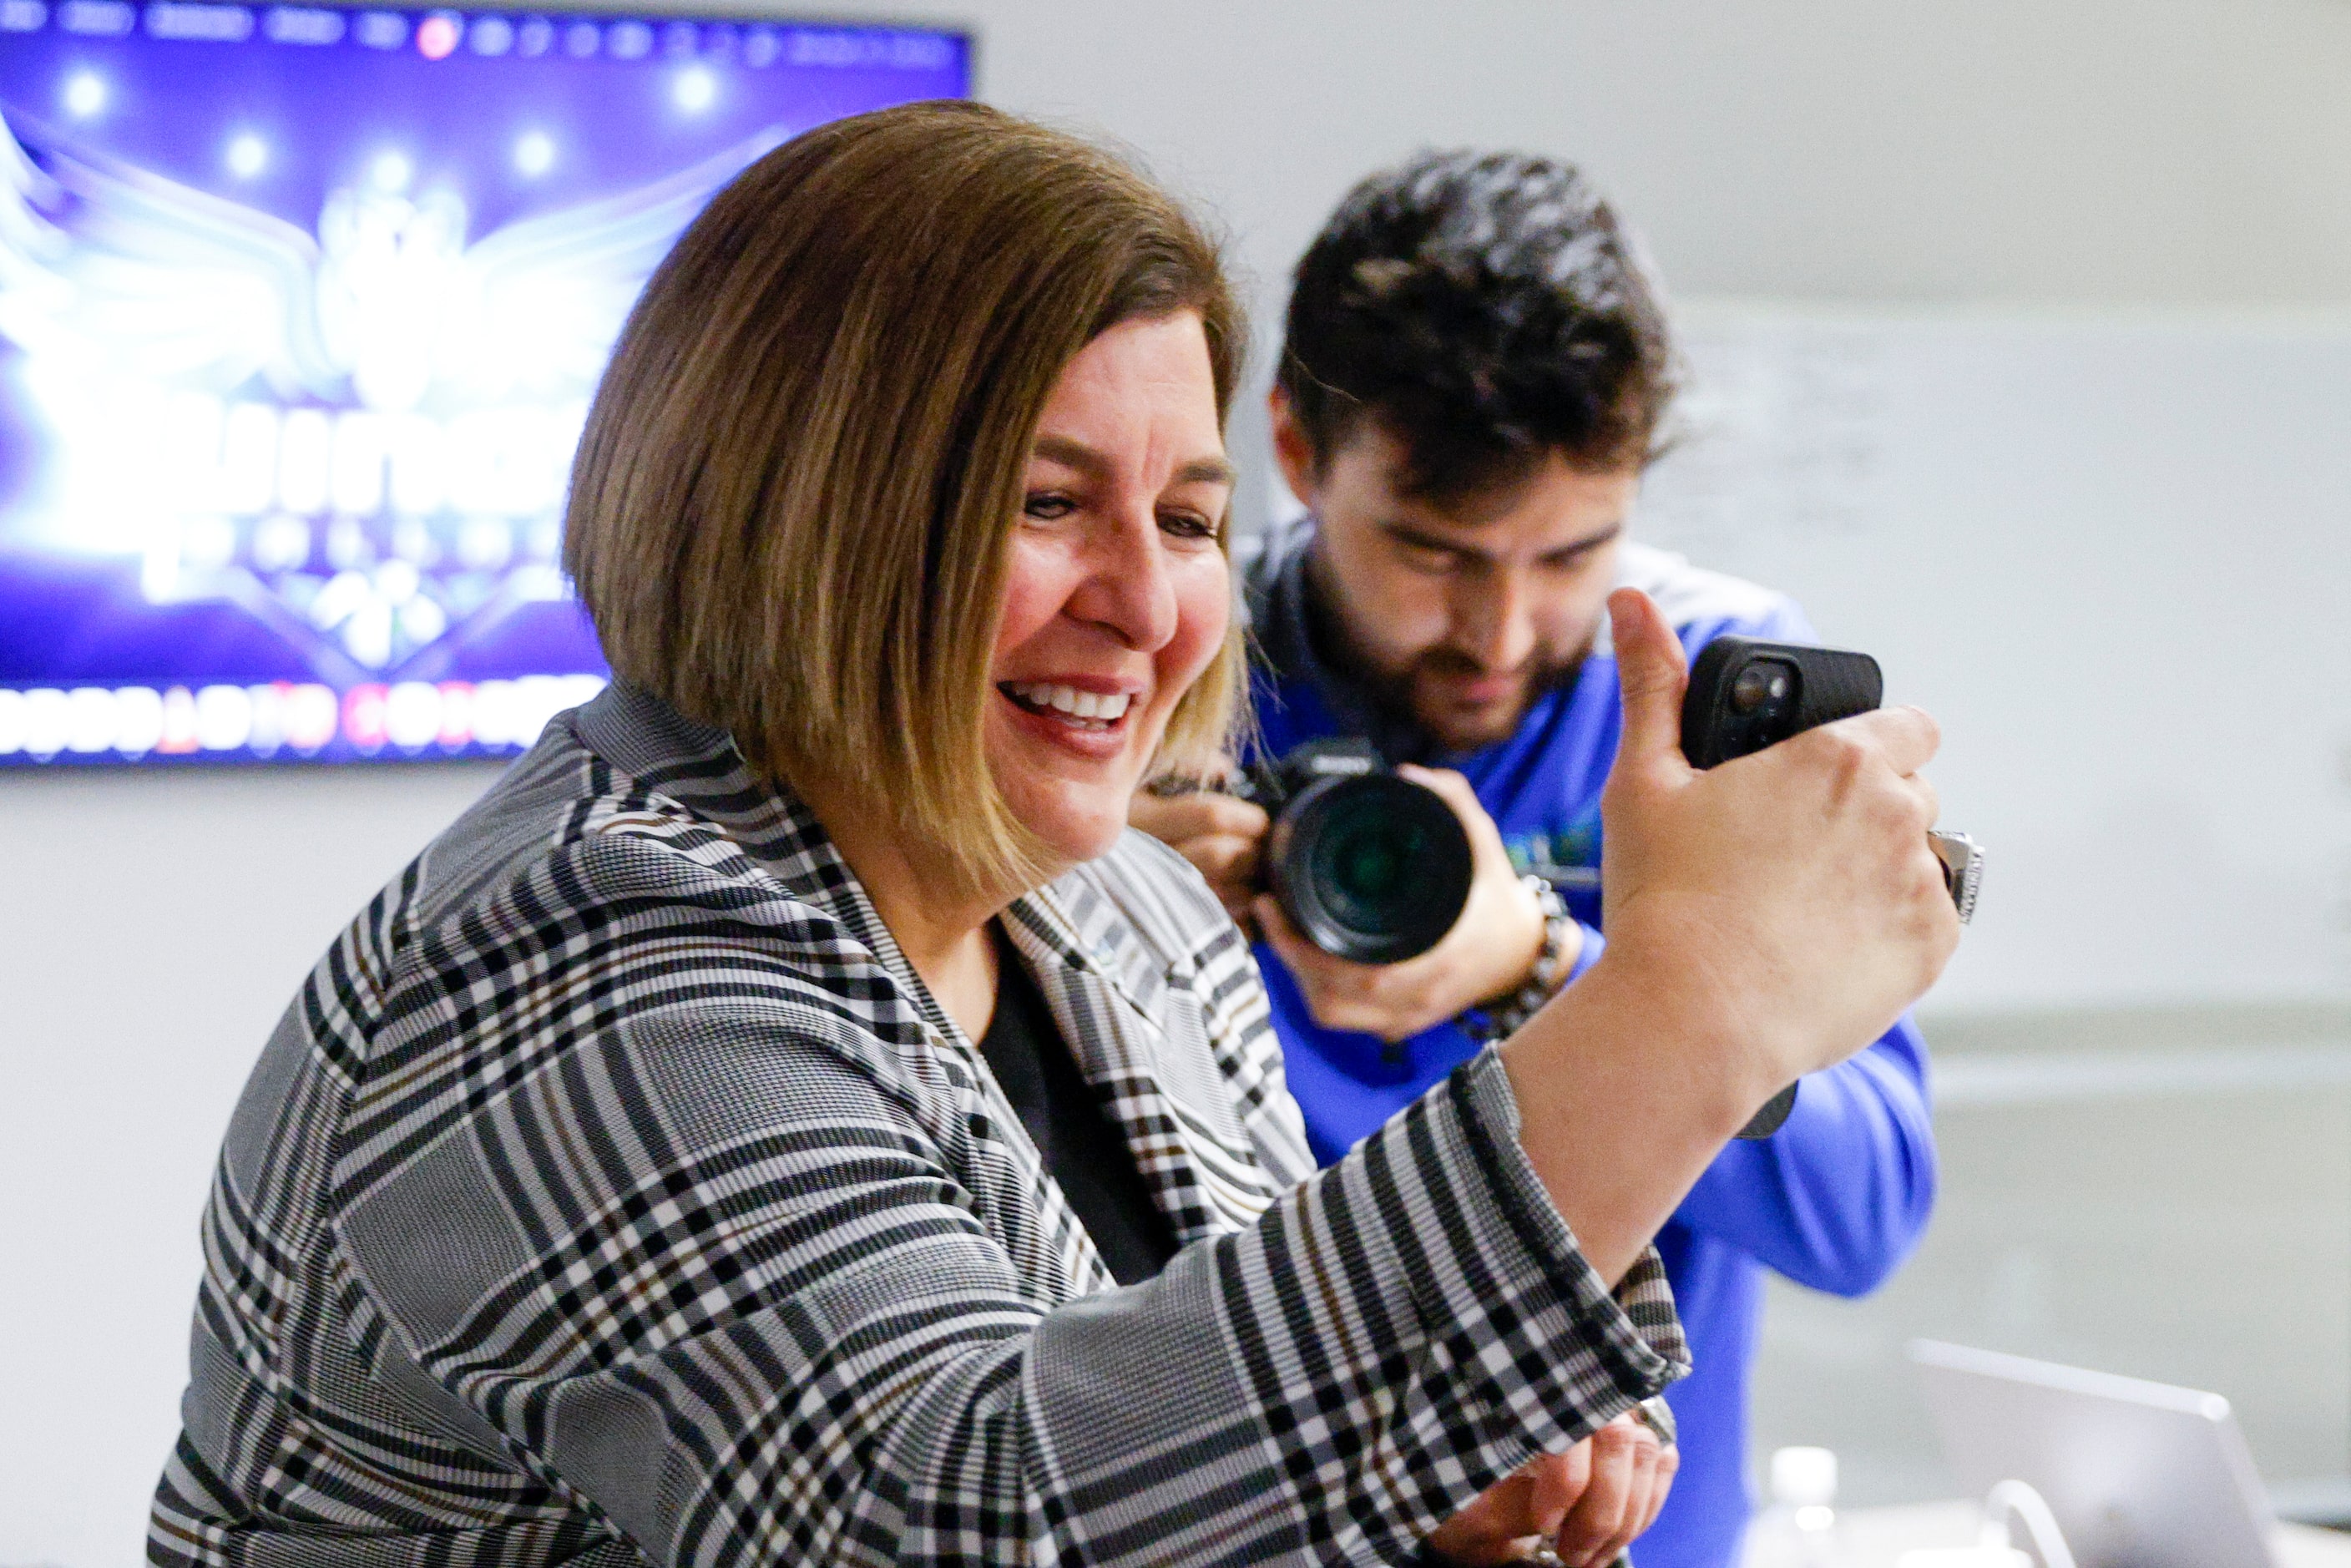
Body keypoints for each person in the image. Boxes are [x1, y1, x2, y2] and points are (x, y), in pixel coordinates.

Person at [150, 104, 1957, 1568]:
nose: (1152, 610)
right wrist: (1677, 1005)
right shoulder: (583, 955)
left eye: (1183, 519)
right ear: (797, 510)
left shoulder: (1121, 920)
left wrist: (1429, 1478)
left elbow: (1219, 1412)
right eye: (1043, 503)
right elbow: (984, 1512)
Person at [1134, 153, 1939, 1568]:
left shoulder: (1709, 702)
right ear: (1298, 451)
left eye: (1571, 553)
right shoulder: (1165, 671)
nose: (1501, 634)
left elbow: (1863, 1209)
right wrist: (1085, 912)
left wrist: (1549, 968)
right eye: (1435, 554)